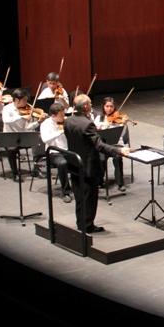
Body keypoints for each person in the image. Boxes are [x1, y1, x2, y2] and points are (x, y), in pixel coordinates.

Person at [64, 94, 128, 233]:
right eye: (90, 103)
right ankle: (88, 226)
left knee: (80, 197)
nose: (92, 106)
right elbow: (99, 145)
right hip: (87, 165)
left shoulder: (68, 121)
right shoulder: (87, 124)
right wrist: (119, 150)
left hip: (74, 164)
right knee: (90, 198)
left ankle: (81, 223)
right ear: (86, 106)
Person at [2, 88, 46, 181]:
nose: (27, 103)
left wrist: (38, 122)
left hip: (24, 135)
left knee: (39, 141)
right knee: (12, 149)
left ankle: (36, 168)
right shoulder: (7, 108)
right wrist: (21, 117)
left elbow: (28, 127)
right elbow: (6, 120)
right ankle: (15, 173)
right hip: (10, 137)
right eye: (24, 100)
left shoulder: (28, 108)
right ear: (17, 100)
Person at [40, 103, 74, 202]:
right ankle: (66, 192)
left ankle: (80, 186)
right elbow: (45, 139)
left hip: (68, 150)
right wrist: (60, 132)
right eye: (62, 115)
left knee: (81, 158)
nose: (64, 117)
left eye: (64, 114)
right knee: (62, 163)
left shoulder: (66, 122)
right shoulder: (45, 124)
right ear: (53, 116)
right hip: (53, 152)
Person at [93, 97, 127, 192]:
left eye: (111, 106)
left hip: (115, 145)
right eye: (107, 106)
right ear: (103, 107)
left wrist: (123, 125)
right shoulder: (99, 118)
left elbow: (123, 134)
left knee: (118, 158)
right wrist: (104, 126)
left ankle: (120, 183)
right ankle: (100, 181)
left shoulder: (118, 118)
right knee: (101, 159)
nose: (109, 109)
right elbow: (94, 131)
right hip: (103, 145)